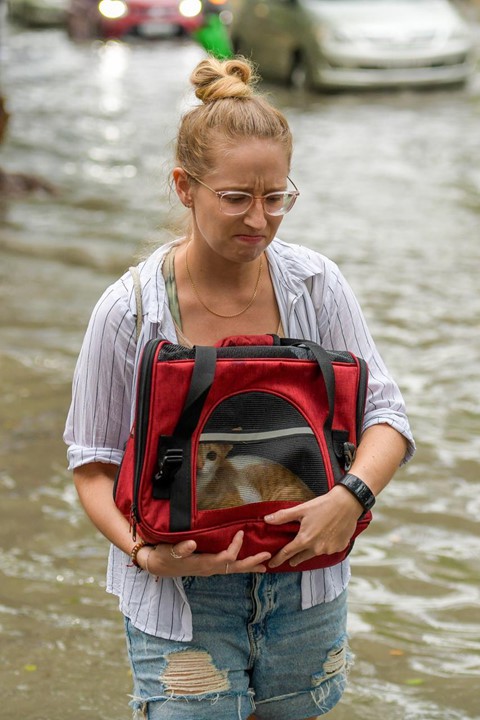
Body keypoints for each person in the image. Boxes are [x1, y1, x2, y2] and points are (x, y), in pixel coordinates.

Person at [64, 56, 414, 720]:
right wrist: (143, 551)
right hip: (181, 601)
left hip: (308, 589)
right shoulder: (132, 312)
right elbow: (92, 464)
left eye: (276, 197)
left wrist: (349, 497)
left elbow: (387, 418)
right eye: (236, 198)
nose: (260, 219)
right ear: (183, 187)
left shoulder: (316, 286)